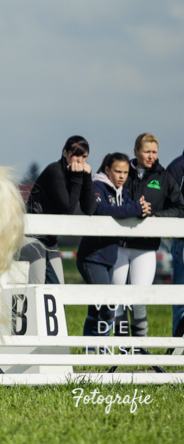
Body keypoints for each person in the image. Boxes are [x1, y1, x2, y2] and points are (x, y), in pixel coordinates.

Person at [114, 133, 184, 339]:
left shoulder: (164, 178)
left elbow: (180, 208)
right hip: (119, 245)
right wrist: (132, 209)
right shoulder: (124, 173)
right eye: (147, 151)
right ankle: (121, 350)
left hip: (145, 248)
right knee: (117, 299)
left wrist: (156, 216)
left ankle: (138, 348)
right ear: (136, 151)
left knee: (139, 301)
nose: (151, 156)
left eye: (154, 152)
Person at [76, 153, 149, 337]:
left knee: (96, 307)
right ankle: (102, 346)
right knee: (108, 306)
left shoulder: (121, 191)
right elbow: (102, 210)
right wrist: (135, 209)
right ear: (107, 170)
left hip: (110, 257)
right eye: (117, 171)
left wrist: (143, 210)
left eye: (125, 172)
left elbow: (130, 206)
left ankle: (91, 350)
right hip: (92, 257)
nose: (122, 176)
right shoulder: (97, 185)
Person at [22, 135, 97, 284]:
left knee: (59, 289)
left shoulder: (76, 175)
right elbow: (68, 209)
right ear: (65, 153)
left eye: (84, 156)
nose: (80, 161)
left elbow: (89, 209)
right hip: (31, 237)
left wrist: (87, 178)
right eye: (76, 155)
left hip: (50, 240)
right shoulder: (54, 171)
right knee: (37, 286)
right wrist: (77, 178)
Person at [167, 148, 184, 336]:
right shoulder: (178, 167)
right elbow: (174, 206)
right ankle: (179, 346)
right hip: (182, 239)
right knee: (182, 295)